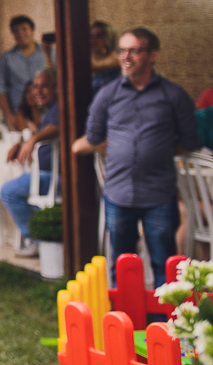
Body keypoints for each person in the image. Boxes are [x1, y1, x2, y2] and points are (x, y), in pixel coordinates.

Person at [74, 27, 198, 287]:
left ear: (153, 55)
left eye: (134, 50)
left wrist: (157, 149)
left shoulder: (173, 95)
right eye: (122, 50)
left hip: (159, 195)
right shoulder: (107, 95)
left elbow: (189, 141)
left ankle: (166, 324)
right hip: (118, 193)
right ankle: (125, 322)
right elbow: (94, 137)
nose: (126, 57)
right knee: (122, 265)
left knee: (164, 263)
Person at [0, 69, 60, 256]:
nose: (38, 91)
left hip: (54, 177)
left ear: (56, 88)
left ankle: (36, 240)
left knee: (8, 192)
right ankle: (44, 239)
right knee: (20, 194)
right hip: (44, 176)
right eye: (35, 87)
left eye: (45, 86)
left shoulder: (59, 107)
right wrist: (23, 143)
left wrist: (32, 140)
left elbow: (56, 128)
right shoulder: (49, 110)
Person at [0, 15, 47, 131]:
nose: (20, 33)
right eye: (16, 31)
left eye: (24, 29)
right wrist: (9, 117)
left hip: (45, 111)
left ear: (32, 31)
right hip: (19, 114)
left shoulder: (47, 53)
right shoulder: (6, 58)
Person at [90, 21, 120, 96]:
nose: (93, 40)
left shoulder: (116, 58)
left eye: (99, 36)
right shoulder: (89, 58)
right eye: (90, 36)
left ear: (108, 38)